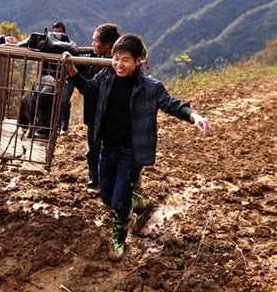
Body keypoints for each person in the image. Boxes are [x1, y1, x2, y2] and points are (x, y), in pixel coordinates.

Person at [64, 34, 212, 260]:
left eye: (124, 60)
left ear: (138, 61)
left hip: (131, 152)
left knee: (119, 201)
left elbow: (171, 104)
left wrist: (195, 116)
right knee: (106, 196)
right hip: (107, 147)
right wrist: (73, 72)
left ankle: (118, 240)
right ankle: (141, 204)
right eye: (115, 58)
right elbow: (89, 89)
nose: (118, 64)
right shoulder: (106, 75)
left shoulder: (150, 87)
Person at [80, 23, 120, 190]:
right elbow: (85, 85)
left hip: (112, 117)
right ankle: (94, 178)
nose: (92, 44)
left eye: (95, 41)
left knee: (113, 151)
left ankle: (112, 181)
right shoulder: (92, 59)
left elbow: (88, 88)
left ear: (108, 44)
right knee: (93, 150)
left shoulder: (118, 65)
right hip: (93, 115)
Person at [52, 22, 73, 135]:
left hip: (69, 78)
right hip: (53, 77)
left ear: (64, 32)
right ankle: (55, 125)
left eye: (60, 32)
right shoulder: (50, 45)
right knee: (52, 99)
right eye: (55, 32)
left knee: (64, 100)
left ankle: (65, 125)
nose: (57, 34)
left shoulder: (70, 45)